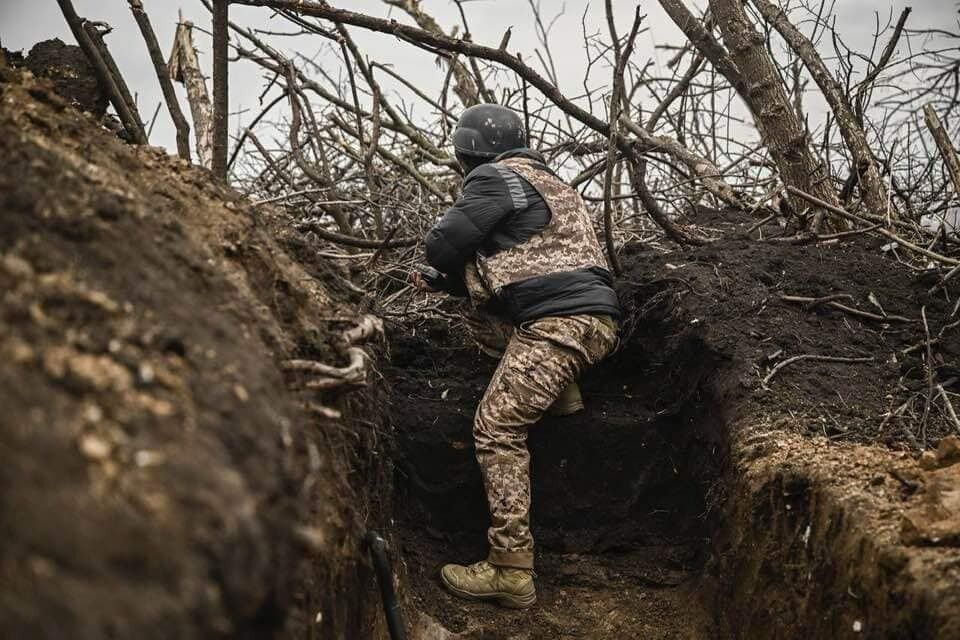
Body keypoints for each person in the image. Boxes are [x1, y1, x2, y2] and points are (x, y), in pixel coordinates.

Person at [412, 104, 621, 609]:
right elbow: (527, 268)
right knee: (487, 310)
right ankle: (560, 391)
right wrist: (453, 283)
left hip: (558, 328)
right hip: (595, 322)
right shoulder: (552, 183)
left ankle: (509, 569)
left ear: (466, 152)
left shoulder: (493, 177)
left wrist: (443, 263)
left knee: (497, 429)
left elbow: (442, 244)